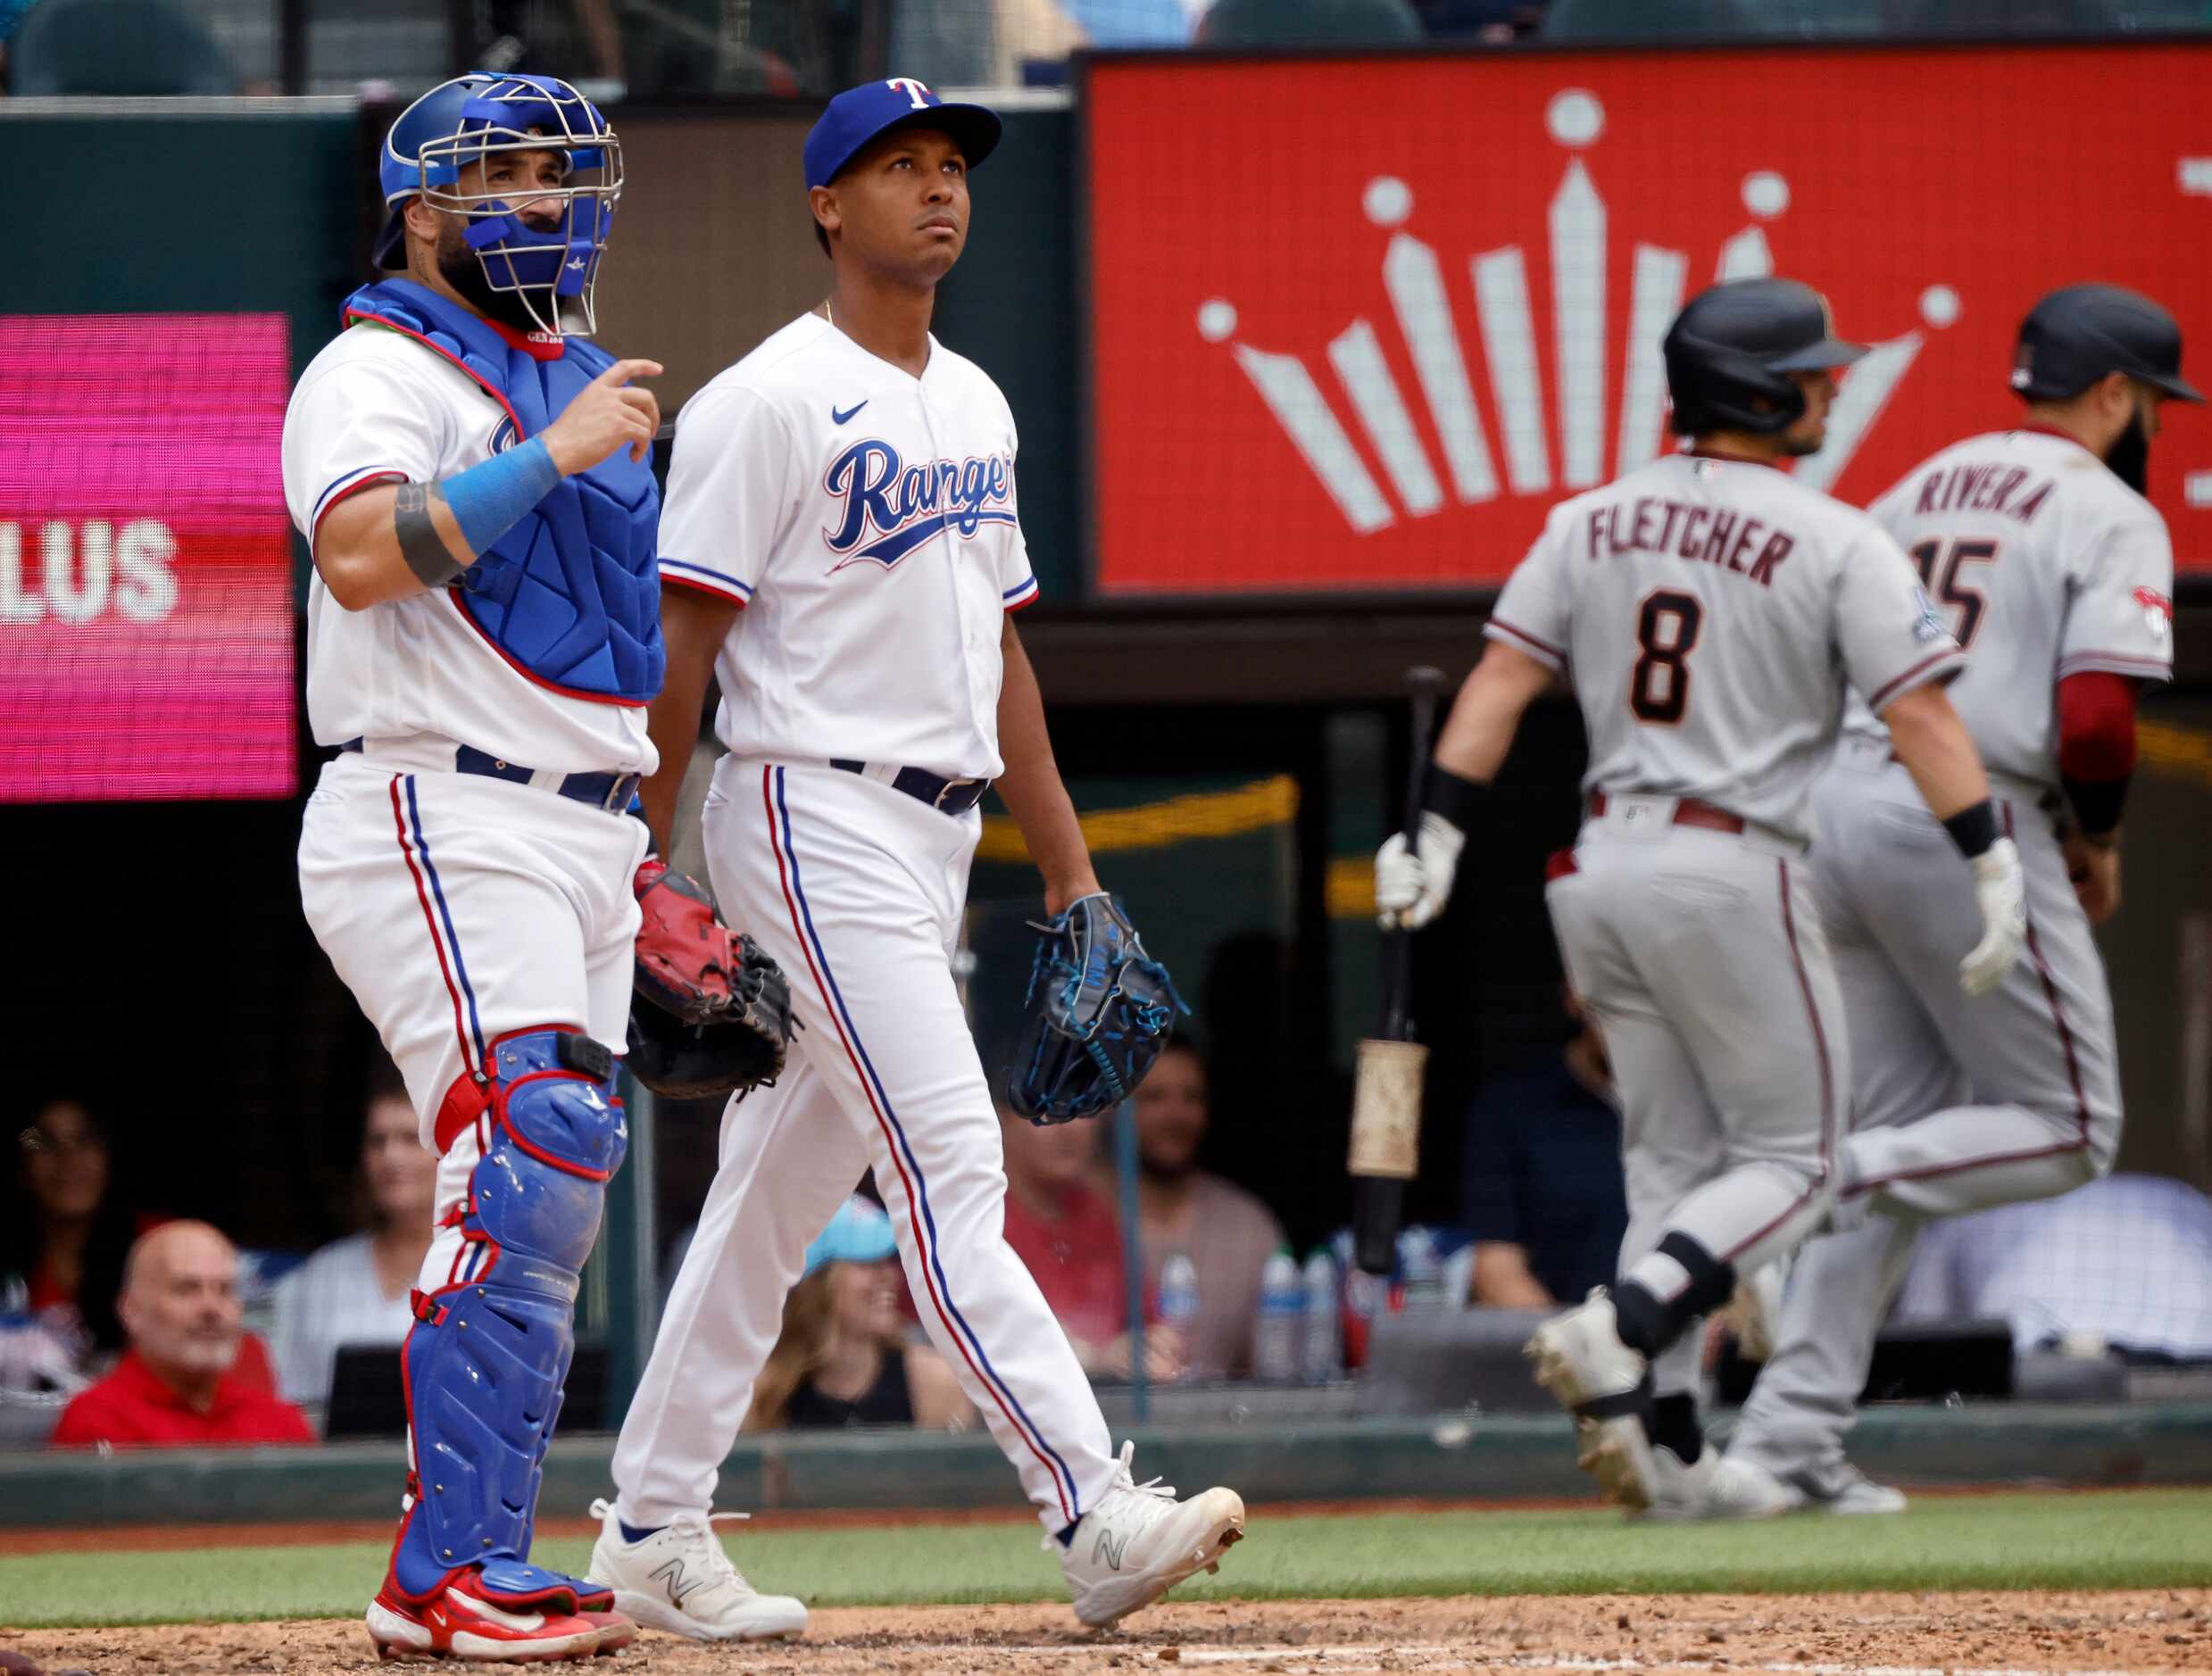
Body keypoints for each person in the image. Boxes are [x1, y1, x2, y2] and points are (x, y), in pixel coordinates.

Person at [586, 77, 1244, 1641]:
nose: (937, 190)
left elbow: (1003, 663)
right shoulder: (767, 398)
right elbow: (686, 643)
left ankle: (651, 1521)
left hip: (933, 826)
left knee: (773, 1188)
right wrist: (640, 853)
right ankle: (1087, 1504)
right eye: (900, 167)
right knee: (952, 1154)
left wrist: (1072, 870)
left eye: (952, 165)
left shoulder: (978, 399)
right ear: (827, 202)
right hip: (803, 806)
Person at [1375, 277, 2024, 1519]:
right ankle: (1623, 1325)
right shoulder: (1833, 534)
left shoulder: (1588, 517)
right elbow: (1922, 713)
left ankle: (1672, 1453)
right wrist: (1989, 859)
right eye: (1814, 369)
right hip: (1733, 864)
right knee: (1807, 1157)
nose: (1834, 383)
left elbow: (1501, 682)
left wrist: (1438, 833)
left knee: (1670, 1164)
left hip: (1602, 867)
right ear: (1761, 388)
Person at [282, 71, 671, 1662]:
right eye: (506, 175)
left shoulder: (574, 371)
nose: (544, 202)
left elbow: (605, 651)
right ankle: (440, 1572)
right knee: (523, 1138)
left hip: (579, 822)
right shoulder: (373, 365)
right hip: (432, 804)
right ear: (423, 208)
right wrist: (556, 452)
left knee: (554, 1179)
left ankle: (478, 1558)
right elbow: (364, 556)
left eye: (559, 174)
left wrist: (646, 850)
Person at [1721, 285, 2199, 1516]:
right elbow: (2094, 713)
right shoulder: (2107, 503)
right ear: (2108, 395)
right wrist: (2095, 837)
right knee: (2072, 1121)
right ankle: (1808, 1185)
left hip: (1835, 803)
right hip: (1964, 816)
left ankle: (1783, 1439)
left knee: (1906, 1137)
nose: (2152, 421)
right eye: (2149, 401)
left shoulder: (1918, 482)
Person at [1890, 1173, 2212, 1365]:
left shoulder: (1977, 1206)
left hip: (2045, 1375)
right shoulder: (2183, 1199)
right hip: (2190, 1366)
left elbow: (1922, 1348)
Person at [48, 1224, 312, 1450]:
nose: (212, 1307)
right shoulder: (95, 1421)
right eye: (187, 1289)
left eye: (225, 1290)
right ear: (132, 1310)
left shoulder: (281, 1423)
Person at [267, 1078, 440, 1413]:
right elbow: (294, 1404)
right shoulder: (325, 1272)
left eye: (409, 1139)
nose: (390, 1157)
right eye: (377, 1142)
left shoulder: (478, 1267)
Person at [1123, 1040, 1285, 1377]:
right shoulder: (1083, 1215)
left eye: (1191, 1098)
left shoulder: (1250, 1228)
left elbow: (1274, 1374)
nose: (1175, 1115)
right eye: (1155, 1098)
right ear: (1117, 1109)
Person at [743, 1196, 975, 1431]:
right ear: (821, 1283)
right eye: (868, 1262)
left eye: (889, 1261)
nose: (890, 1276)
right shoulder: (764, 1395)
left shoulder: (933, 1382)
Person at [1460, 988, 1626, 1309]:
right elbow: (1496, 1269)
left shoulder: (1703, 1108)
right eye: (1619, 996)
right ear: (1574, 995)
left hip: (1687, 1350)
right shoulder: (1511, 1108)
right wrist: (1573, 1348)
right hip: (1565, 1344)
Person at [1001, 1102, 1177, 1381]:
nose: (1068, 1127)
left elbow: (1148, 1323)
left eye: (1081, 1109)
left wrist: (1157, 1347)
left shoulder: (1099, 1215)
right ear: (1002, 1119)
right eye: (1045, 1110)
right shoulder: (980, 1220)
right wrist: (1098, 1358)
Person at [3, 1096, 143, 1374]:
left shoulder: (160, 1245)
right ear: (21, 1167)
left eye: (86, 1140)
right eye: (45, 1142)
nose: (68, 1159)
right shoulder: (9, 1271)